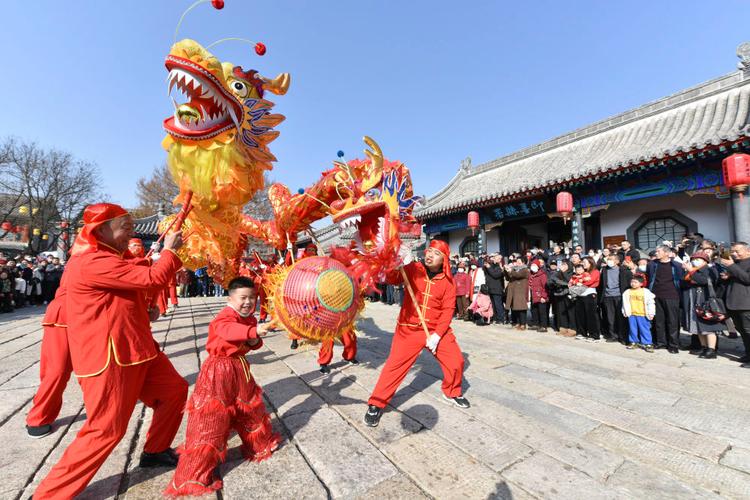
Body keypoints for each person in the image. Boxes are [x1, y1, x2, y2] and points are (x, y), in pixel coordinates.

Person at [33, 203, 188, 500]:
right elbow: (151, 278)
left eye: (131, 223)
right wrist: (169, 252)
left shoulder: (112, 258)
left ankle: (155, 451)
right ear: (101, 230)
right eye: (124, 224)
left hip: (138, 348)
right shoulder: (89, 261)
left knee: (174, 391)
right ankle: (49, 495)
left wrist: (160, 262)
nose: (131, 228)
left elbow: (135, 273)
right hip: (111, 357)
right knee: (106, 430)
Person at [165, 277, 280, 496]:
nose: (248, 302)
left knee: (250, 408)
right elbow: (227, 331)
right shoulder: (225, 316)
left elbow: (252, 344)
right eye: (243, 298)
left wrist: (257, 334)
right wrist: (253, 333)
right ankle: (195, 475)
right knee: (211, 421)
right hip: (218, 371)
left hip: (239, 369)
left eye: (252, 298)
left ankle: (258, 445)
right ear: (230, 298)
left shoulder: (248, 317)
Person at [364, 239, 468, 428]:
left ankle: (451, 391)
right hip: (409, 329)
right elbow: (392, 278)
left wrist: (437, 335)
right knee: (394, 367)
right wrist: (394, 265)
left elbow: (447, 310)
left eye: (436, 254)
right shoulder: (412, 269)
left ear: (444, 260)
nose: (429, 255)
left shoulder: (448, 282)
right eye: (429, 251)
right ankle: (376, 403)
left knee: (456, 361)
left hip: (437, 329)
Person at [682, 251, 723, 359]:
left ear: (705, 261)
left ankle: (711, 350)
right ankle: (704, 347)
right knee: (699, 328)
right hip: (693, 302)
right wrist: (689, 273)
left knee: (709, 328)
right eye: (693, 259)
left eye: (698, 259)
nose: (695, 261)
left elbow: (704, 281)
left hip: (705, 302)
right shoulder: (690, 271)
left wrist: (691, 272)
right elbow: (683, 284)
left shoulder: (709, 270)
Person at [647, 244, 685, 353]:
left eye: (658, 251)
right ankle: (661, 342)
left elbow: (681, 280)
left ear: (667, 253)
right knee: (659, 321)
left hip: (672, 296)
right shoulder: (652, 264)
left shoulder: (677, 265)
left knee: (672, 321)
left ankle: (673, 344)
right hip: (656, 295)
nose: (656, 253)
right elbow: (650, 278)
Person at [720, 242, 750, 363]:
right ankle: (748, 354)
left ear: (748, 251)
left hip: (746, 304)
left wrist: (732, 266)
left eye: (737, 251)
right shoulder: (736, 264)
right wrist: (727, 276)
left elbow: (748, 279)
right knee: (742, 332)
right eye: (732, 251)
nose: (734, 253)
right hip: (734, 303)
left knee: (748, 331)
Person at [598, 254, 632, 344]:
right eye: (608, 259)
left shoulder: (624, 270)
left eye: (611, 259)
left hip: (619, 296)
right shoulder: (604, 270)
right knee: (610, 317)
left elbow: (629, 283)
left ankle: (623, 337)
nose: (609, 261)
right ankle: (613, 335)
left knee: (621, 317)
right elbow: (601, 284)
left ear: (617, 261)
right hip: (607, 296)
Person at [569, 258, 601, 341]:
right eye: (583, 262)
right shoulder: (582, 272)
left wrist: (579, 282)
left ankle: (594, 335)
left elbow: (590, 281)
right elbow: (573, 281)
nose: (583, 264)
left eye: (585, 262)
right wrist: (577, 282)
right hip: (580, 295)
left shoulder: (595, 271)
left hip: (589, 295)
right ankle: (582, 332)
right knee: (580, 315)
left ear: (591, 263)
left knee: (591, 316)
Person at [621, 275, 655, 352]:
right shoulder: (627, 292)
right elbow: (624, 303)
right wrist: (624, 312)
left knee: (645, 329)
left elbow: (651, 303)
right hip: (632, 314)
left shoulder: (646, 292)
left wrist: (651, 313)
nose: (633, 284)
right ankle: (633, 342)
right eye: (632, 282)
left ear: (641, 284)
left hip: (643, 315)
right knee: (632, 329)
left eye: (635, 282)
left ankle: (647, 343)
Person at [549, 260, 576, 337]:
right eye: (562, 264)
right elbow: (553, 280)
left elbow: (570, 281)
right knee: (561, 312)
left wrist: (563, 279)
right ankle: (563, 328)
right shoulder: (557, 273)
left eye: (565, 265)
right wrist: (565, 284)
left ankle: (572, 329)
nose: (562, 266)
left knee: (570, 313)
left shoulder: (572, 273)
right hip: (559, 294)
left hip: (569, 295)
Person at [504, 257, 530, 330]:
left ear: (523, 262)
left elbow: (518, 275)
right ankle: (518, 322)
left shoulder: (525, 270)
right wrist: (506, 270)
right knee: (515, 308)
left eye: (519, 261)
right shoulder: (514, 269)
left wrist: (510, 270)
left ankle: (523, 324)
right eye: (517, 261)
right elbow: (508, 278)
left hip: (520, 291)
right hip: (513, 291)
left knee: (521, 308)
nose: (518, 263)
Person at [483, 254, 506, 324]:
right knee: (493, 305)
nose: (494, 259)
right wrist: (486, 263)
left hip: (497, 289)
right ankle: (495, 317)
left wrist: (489, 267)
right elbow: (485, 270)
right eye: (494, 258)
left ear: (500, 260)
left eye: (496, 258)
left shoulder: (501, 268)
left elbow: (495, 275)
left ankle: (501, 319)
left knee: (498, 304)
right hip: (490, 288)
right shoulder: (492, 265)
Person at [527, 259, 549, 332]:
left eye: (534, 265)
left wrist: (544, 296)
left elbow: (545, 287)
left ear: (538, 266)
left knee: (542, 312)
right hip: (533, 295)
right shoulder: (531, 275)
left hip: (541, 296)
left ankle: (543, 326)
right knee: (534, 310)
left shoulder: (542, 275)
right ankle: (535, 324)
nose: (533, 267)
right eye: (532, 265)